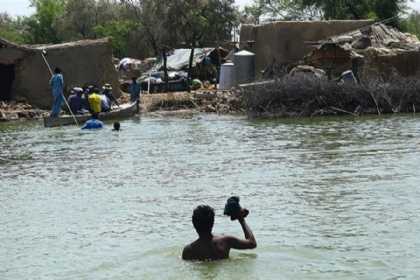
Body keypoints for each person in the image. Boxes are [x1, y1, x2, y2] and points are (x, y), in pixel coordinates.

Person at [182, 205, 257, 261]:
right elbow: (252, 243)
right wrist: (241, 220)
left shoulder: (188, 250)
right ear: (213, 222)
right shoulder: (225, 241)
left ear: (193, 223)